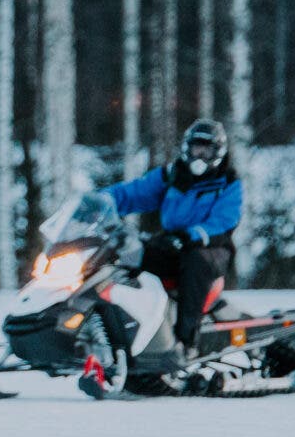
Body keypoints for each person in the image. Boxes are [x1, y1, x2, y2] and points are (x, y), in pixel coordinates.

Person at [104, 117, 242, 353]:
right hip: (172, 241)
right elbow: (135, 192)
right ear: (187, 148)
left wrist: (192, 235)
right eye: (196, 147)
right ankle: (128, 331)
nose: (200, 155)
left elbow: (224, 220)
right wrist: (100, 200)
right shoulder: (173, 175)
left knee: (195, 263)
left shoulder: (227, 182)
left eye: (206, 150)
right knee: (128, 255)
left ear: (217, 152)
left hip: (211, 247)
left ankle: (185, 341)